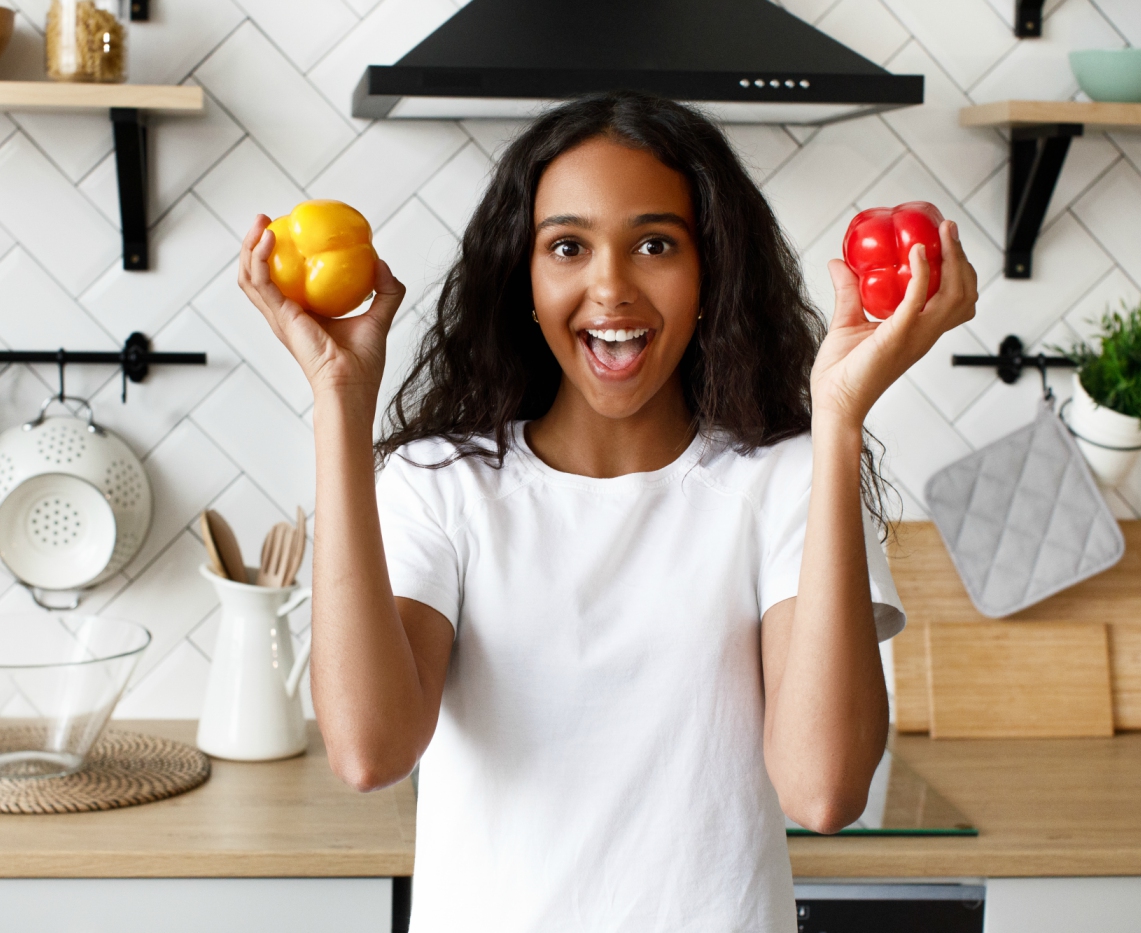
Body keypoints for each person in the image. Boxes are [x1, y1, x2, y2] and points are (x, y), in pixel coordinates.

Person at [236, 92, 977, 932]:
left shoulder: (786, 480)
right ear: (525, 275)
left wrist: (839, 416)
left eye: (655, 244)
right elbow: (370, 752)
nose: (611, 287)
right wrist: (341, 397)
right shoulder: (440, 483)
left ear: (711, 274)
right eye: (568, 246)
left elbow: (826, 788)